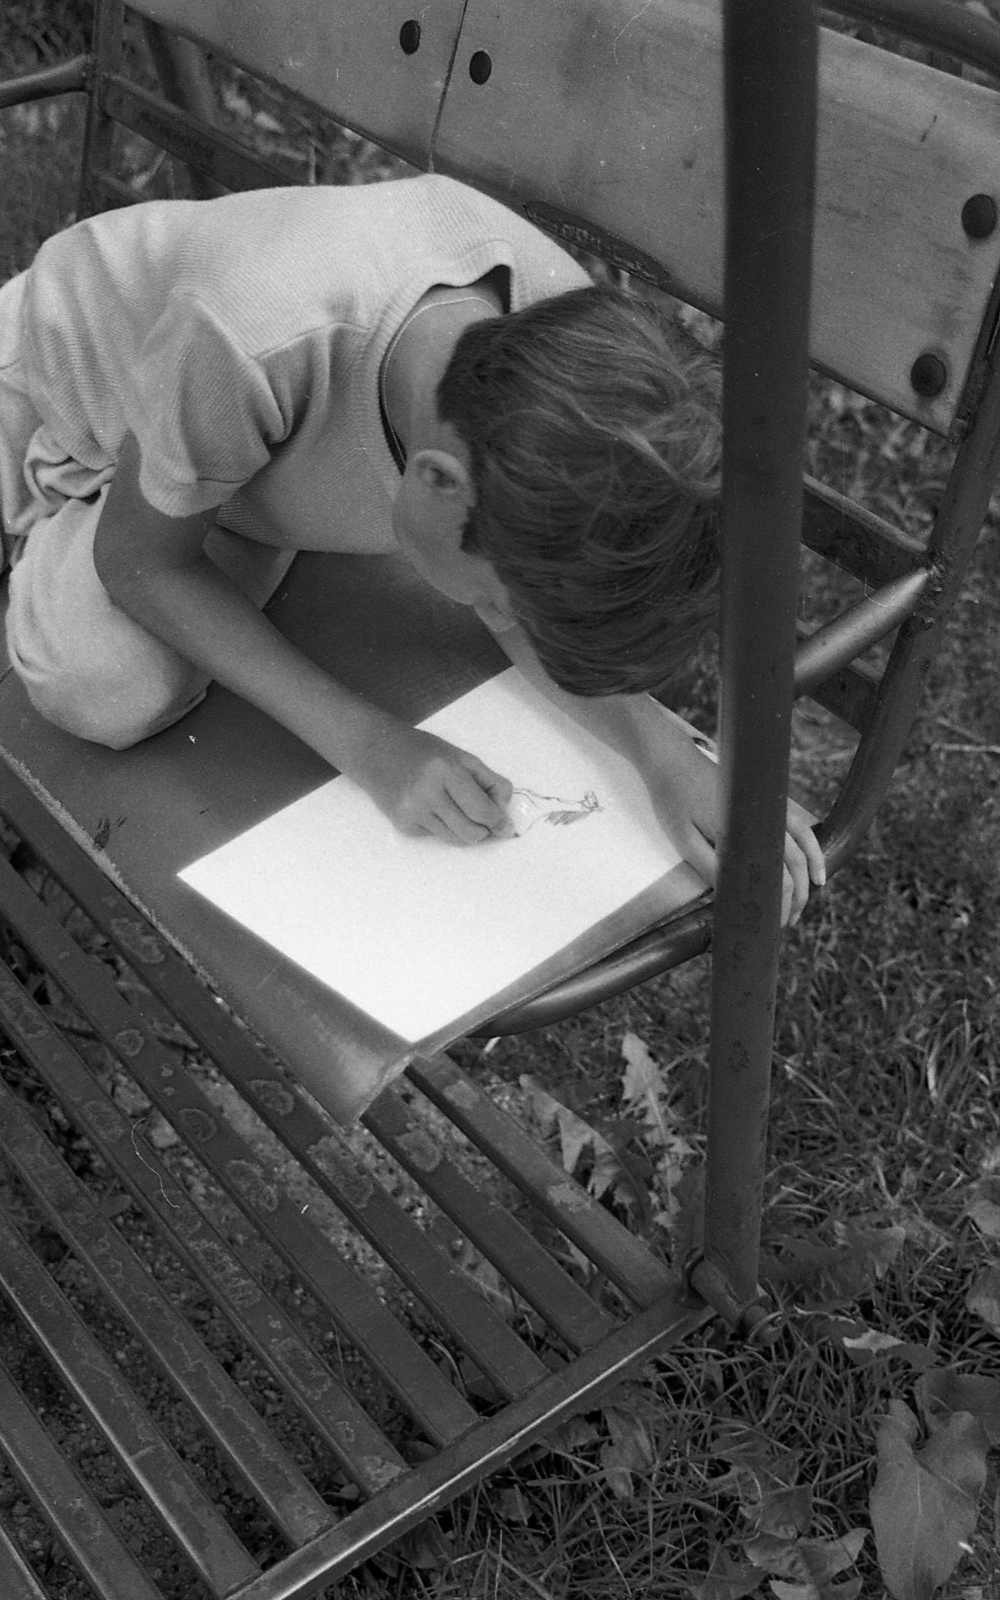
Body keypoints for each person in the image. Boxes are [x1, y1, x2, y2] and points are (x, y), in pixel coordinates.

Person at [0, 173, 823, 921]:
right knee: (97, 681)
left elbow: (529, 600)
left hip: (237, 485)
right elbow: (140, 562)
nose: (499, 618)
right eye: (493, 597)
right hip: (68, 377)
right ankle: (54, 518)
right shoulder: (253, 331)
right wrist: (373, 746)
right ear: (434, 479)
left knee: (117, 677)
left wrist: (667, 758)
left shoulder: (566, 374)